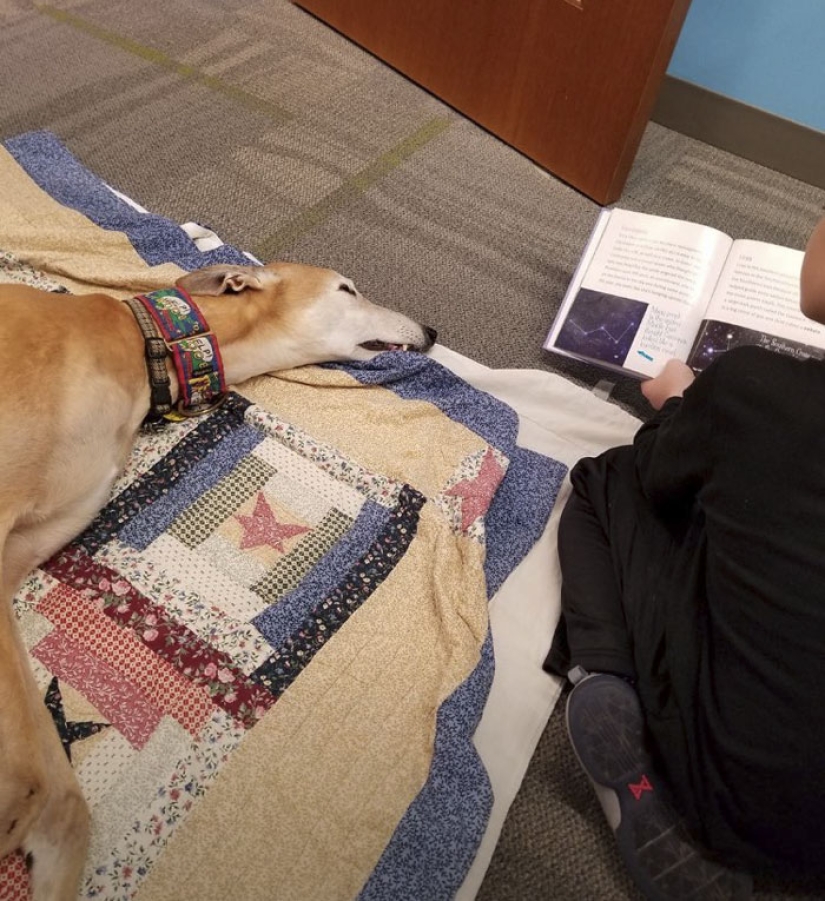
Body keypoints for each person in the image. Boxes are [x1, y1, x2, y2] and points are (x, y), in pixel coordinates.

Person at [545, 214, 825, 901]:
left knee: (604, 478)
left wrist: (681, 403)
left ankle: (605, 677)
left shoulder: (755, 388)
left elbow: (656, 474)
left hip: (745, 804)